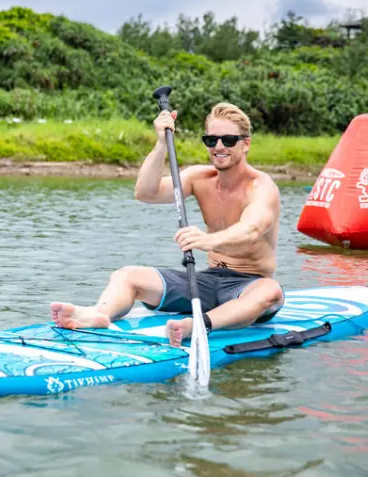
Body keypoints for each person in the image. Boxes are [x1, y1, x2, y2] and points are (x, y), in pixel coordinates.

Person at [50, 102, 284, 347]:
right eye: (211, 140)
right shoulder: (199, 178)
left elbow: (252, 229)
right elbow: (145, 192)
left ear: (246, 144)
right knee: (127, 275)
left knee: (271, 292)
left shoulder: (261, 187)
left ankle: (195, 326)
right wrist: (162, 143)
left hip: (249, 285)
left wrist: (210, 240)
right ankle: (98, 314)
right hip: (206, 280)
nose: (219, 147)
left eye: (228, 140)